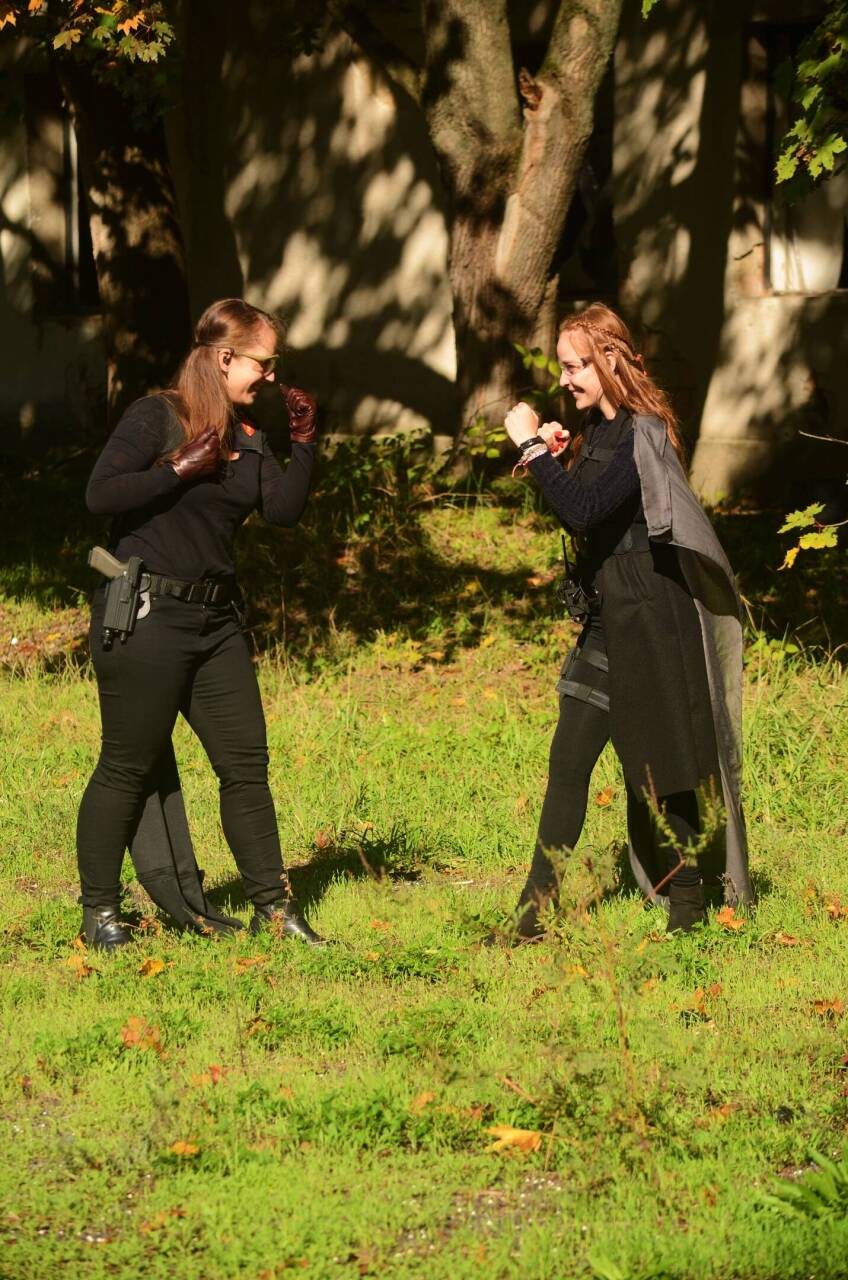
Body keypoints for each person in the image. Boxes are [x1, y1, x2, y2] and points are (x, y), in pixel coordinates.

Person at [493, 303, 752, 943]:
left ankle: (689, 903)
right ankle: (533, 918)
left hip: (652, 616)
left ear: (610, 359)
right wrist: (555, 459)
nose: (565, 380)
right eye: (563, 367)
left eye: (576, 366)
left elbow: (584, 511)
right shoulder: (599, 432)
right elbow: (582, 509)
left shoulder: (644, 433)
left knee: (663, 767)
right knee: (568, 762)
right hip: (609, 617)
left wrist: (531, 445)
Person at [77, 298, 326, 950]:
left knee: (246, 766)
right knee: (126, 766)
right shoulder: (158, 416)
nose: (271, 377)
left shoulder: (251, 430)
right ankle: (100, 913)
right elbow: (101, 493)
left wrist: (302, 441)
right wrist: (176, 469)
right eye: (263, 364)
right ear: (224, 358)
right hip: (147, 615)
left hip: (215, 622)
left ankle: (275, 911)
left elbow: (283, 510)